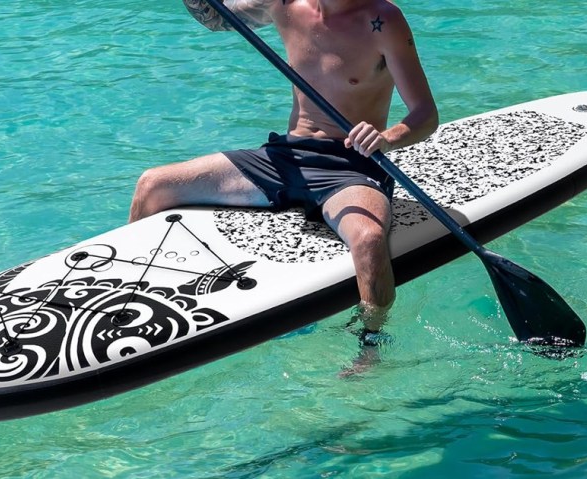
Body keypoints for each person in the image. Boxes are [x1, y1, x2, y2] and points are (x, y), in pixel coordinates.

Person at [129, 0, 438, 373]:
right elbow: (215, 18)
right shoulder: (283, 3)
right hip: (284, 158)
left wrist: (386, 138)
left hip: (350, 164)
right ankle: (134, 293)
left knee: (369, 239)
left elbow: (425, 114)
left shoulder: (382, 20)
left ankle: (370, 346)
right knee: (152, 185)